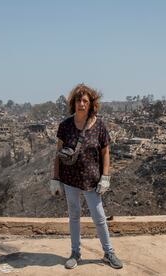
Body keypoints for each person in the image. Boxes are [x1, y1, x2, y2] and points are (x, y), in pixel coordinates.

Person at [49, 84, 123, 269]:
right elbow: (58, 152)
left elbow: (106, 152)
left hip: (92, 180)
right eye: (78, 100)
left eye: (85, 101)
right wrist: (55, 178)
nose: (81, 104)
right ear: (73, 103)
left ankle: (109, 253)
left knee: (99, 216)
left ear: (91, 104)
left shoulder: (99, 125)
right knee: (74, 215)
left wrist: (105, 176)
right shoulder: (65, 126)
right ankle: (75, 253)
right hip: (70, 179)